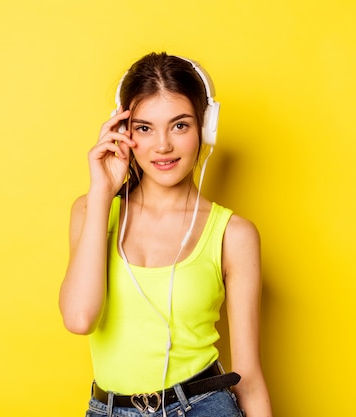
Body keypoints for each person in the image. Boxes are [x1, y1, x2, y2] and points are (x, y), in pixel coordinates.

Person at [59, 52, 272, 417]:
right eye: (144, 128)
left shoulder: (233, 234)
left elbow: (249, 377)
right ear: (122, 132)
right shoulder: (90, 210)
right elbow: (80, 319)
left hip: (204, 406)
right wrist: (101, 191)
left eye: (179, 125)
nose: (162, 146)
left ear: (205, 129)